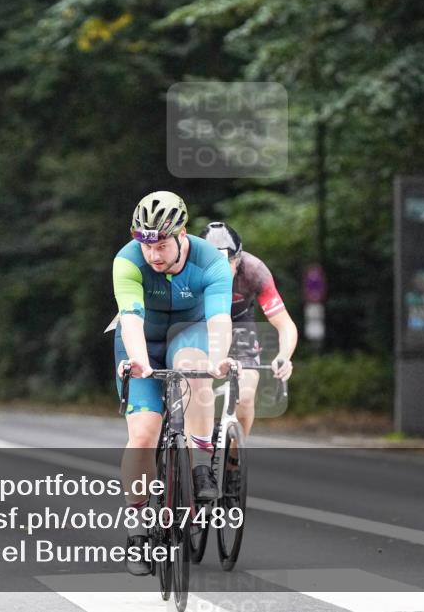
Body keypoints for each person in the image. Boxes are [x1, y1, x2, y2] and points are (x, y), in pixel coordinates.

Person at [113, 191, 235, 575]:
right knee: (144, 433)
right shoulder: (127, 260)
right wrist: (138, 362)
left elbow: (218, 319)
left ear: (182, 233)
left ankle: (200, 463)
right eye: (145, 244)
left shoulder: (210, 261)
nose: (153, 254)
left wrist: (218, 361)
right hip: (140, 340)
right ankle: (136, 532)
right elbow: (130, 316)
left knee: (194, 367)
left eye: (161, 244)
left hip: (188, 332)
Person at [201, 222, 297, 438]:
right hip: (200, 323)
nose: (220, 271)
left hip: (239, 323)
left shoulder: (254, 270)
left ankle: (235, 455)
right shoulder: (190, 268)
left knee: (245, 396)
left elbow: (285, 324)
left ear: (239, 258)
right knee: (197, 389)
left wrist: (284, 356)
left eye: (227, 263)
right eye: (212, 265)